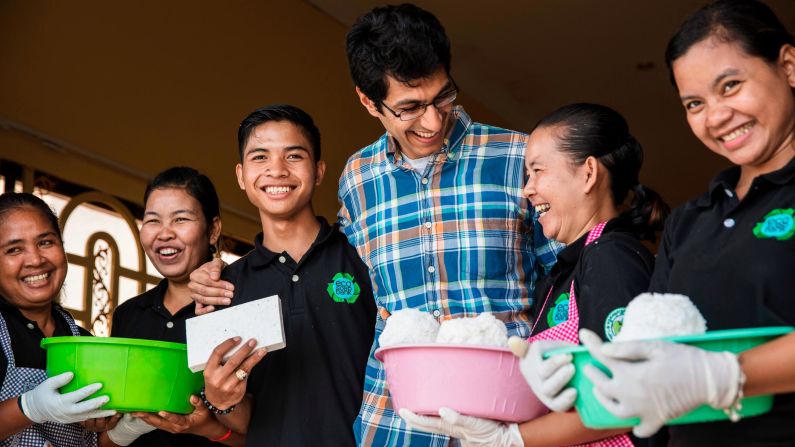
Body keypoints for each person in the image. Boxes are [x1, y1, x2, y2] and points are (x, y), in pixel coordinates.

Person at [545, 1, 795, 445]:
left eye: (731, 86)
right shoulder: (690, 221)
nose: (716, 116)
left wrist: (725, 373)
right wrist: (578, 380)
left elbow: (694, 373)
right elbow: (648, 346)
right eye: (695, 103)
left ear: (789, 66)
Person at [334, 5, 563, 445]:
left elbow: (566, 280)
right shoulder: (357, 179)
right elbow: (340, 277)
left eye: (443, 96)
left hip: (508, 417)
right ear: (368, 101)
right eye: (410, 108)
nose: (434, 120)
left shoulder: (518, 157)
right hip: (396, 424)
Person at [400, 104, 669, 446]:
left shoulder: (612, 258)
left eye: (538, 170)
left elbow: (624, 400)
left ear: (588, 173)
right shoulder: (567, 269)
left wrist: (512, 440)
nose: (528, 188)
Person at [187, 104, 377, 446]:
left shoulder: (362, 256)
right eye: (260, 157)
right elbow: (245, 423)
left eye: (293, 156)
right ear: (241, 175)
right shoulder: (225, 288)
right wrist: (222, 400)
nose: (276, 170)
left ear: (318, 171)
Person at [0, 192, 154, 446]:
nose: (36, 259)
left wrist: (121, 432)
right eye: (14, 249)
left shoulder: (84, 342)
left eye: (46, 242)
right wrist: (30, 407)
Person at [110, 167, 245, 446]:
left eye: (180, 219)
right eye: (153, 220)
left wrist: (209, 426)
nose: (164, 234)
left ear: (213, 230)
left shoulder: (241, 306)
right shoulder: (129, 315)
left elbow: (269, 427)